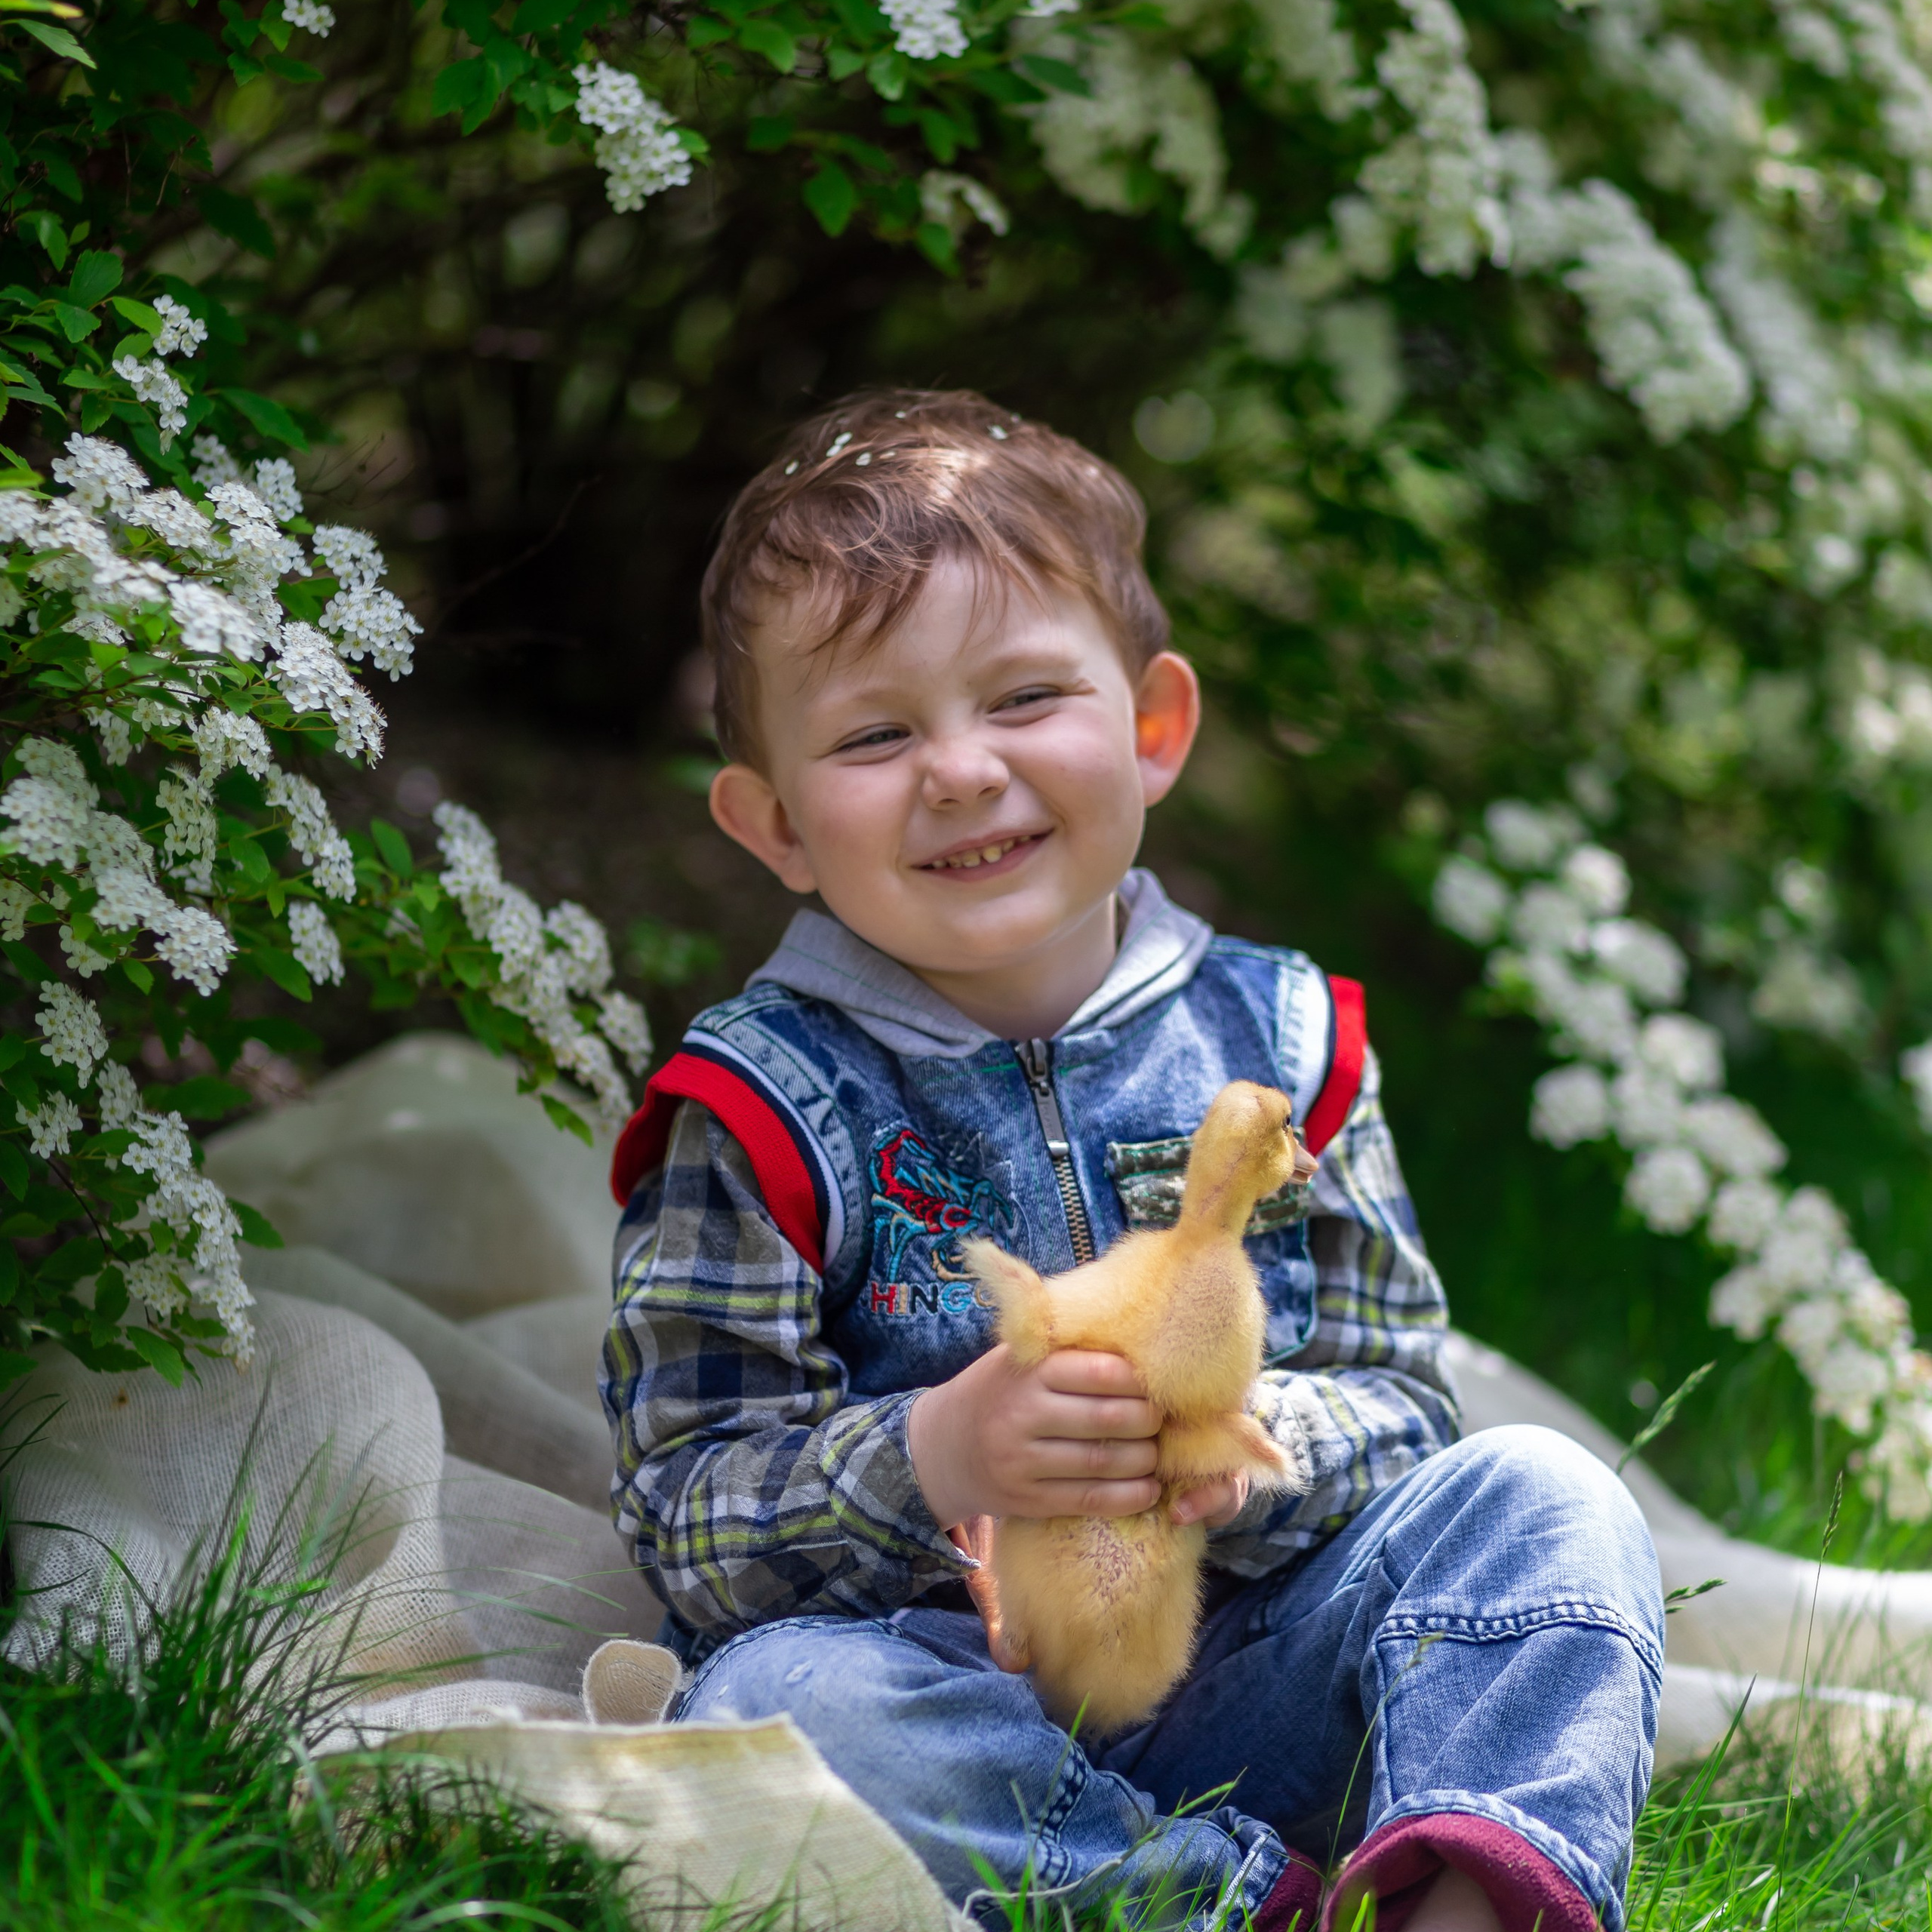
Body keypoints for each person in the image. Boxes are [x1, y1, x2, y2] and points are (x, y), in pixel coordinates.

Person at [599, 388, 1662, 1932]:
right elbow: (687, 1508)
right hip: (959, 1698)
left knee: (1548, 1494)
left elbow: (1403, 1399)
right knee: (778, 1705)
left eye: (1023, 697)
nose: (960, 769)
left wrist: (1250, 1440)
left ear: (1153, 727)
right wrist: (934, 1454)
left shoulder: (1279, 1038)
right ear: (771, 823)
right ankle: (1213, 1906)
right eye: (878, 732)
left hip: (1263, 1673)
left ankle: (1474, 1895)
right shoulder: (758, 1105)